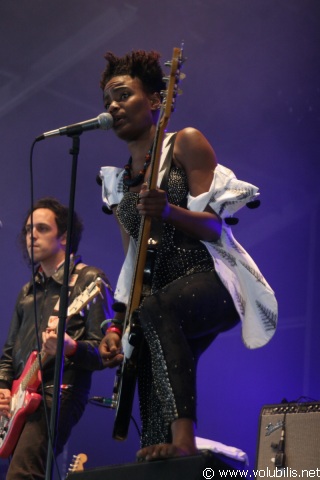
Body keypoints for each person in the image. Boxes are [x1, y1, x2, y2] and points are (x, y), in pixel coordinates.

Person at [98, 50, 278, 462]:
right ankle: (186, 453)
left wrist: (168, 210)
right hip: (157, 299)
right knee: (147, 352)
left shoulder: (185, 143)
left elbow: (214, 227)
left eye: (123, 94)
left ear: (157, 101)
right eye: (108, 99)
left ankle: (185, 439)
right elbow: (131, 263)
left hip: (209, 277)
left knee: (158, 310)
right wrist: (116, 322)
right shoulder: (118, 182)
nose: (112, 105)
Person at [0, 197, 114, 479]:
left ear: (64, 237)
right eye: (28, 230)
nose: (32, 236)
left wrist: (71, 347)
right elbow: (9, 352)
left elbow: (108, 353)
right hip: (21, 395)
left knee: (23, 472)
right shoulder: (29, 291)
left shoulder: (90, 280)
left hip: (59, 391)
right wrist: (2, 388)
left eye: (41, 228)